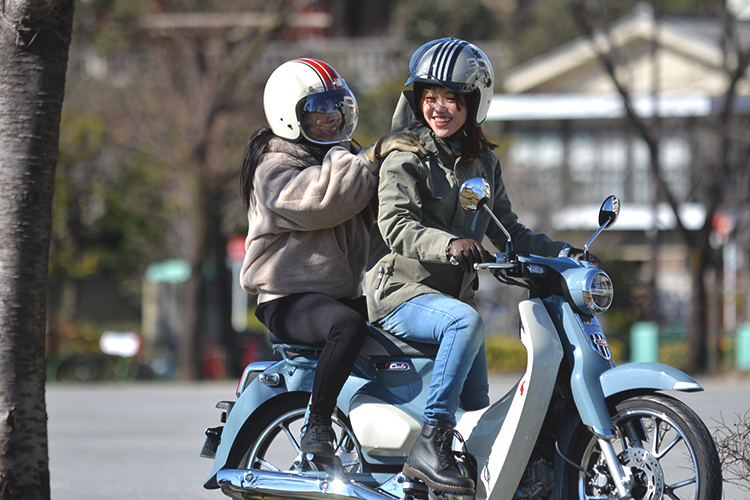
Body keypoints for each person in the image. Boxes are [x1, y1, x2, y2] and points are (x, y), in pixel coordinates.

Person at [365, 38, 599, 495]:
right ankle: (431, 442)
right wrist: (451, 244)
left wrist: (563, 254)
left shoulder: (482, 162)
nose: (439, 108)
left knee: (477, 414)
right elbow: (396, 225)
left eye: (451, 98)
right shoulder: (405, 157)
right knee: (465, 324)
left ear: (474, 102)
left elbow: (508, 229)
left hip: (448, 299)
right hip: (400, 294)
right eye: (429, 98)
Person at [240, 58, 425, 458]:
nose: (332, 115)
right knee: (347, 325)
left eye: (336, 105)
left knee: (411, 325)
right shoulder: (273, 166)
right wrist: (371, 155)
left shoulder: (343, 158)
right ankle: (317, 424)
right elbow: (327, 200)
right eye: (319, 108)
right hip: (287, 299)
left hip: (337, 294)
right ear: (288, 115)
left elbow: (382, 205)